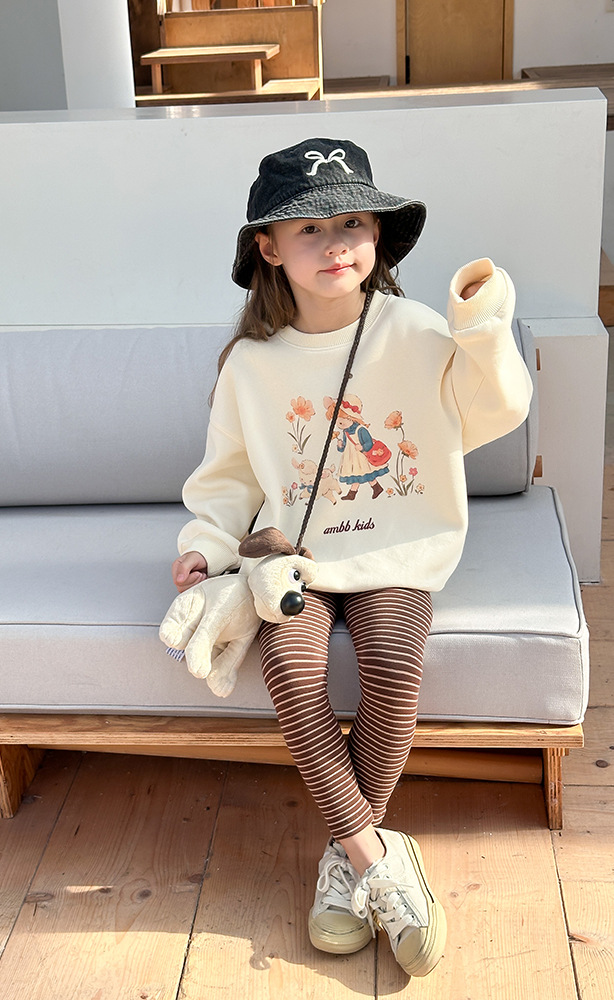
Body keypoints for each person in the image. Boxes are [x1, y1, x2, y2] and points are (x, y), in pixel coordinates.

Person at [170, 137, 533, 978]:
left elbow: (496, 410)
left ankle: (346, 857)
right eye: (310, 228)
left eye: (353, 223)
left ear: (377, 237)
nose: (336, 243)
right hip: (295, 558)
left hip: (401, 547)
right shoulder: (252, 365)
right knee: (290, 668)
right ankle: (375, 857)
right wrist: (204, 546)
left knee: (395, 659)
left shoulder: (417, 331)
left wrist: (480, 327)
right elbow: (228, 477)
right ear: (268, 248)